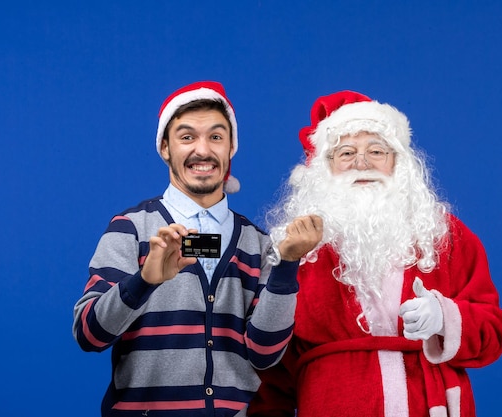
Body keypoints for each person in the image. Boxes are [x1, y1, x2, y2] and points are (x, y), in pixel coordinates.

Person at [248, 90, 502, 417]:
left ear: (398, 162)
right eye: (346, 152)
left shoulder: (445, 235)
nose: (361, 162)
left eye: (376, 150)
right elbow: (270, 368)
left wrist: (446, 317)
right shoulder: (298, 248)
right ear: (324, 168)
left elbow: (494, 330)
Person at [73, 81, 323, 417]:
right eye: (187, 136)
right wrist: (145, 280)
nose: (202, 151)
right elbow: (89, 334)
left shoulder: (260, 244)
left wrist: (287, 264)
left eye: (216, 137)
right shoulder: (130, 228)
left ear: (231, 147)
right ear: (165, 147)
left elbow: (265, 354)